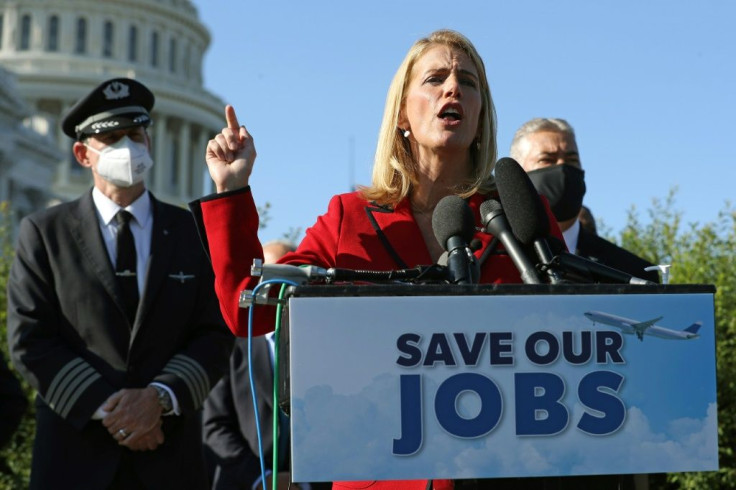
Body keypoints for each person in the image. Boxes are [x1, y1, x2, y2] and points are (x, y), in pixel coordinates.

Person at [191, 30, 563, 490]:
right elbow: (248, 307)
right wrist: (231, 190)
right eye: (435, 79)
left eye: (468, 82)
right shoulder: (351, 218)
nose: (453, 89)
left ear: (480, 113)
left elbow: (571, 326)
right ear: (403, 112)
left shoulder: (519, 214)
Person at [6, 77, 233, 489]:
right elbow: (30, 338)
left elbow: (215, 333)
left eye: (134, 134)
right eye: (111, 138)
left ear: (149, 142)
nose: (127, 148)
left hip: (170, 458)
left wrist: (157, 400)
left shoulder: (192, 233)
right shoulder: (44, 232)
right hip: (74, 461)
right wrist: (114, 411)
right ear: (82, 153)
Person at [202, 240, 330, 490]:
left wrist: (302, 482)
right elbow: (214, 426)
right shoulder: (231, 346)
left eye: (291, 278)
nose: (279, 290)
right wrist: (263, 479)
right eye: (271, 278)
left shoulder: (327, 351)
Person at [510, 117, 659, 283]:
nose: (562, 168)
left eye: (572, 160)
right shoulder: (492, 258)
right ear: (517, 173)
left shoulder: (632, 273)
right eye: (547, 160)